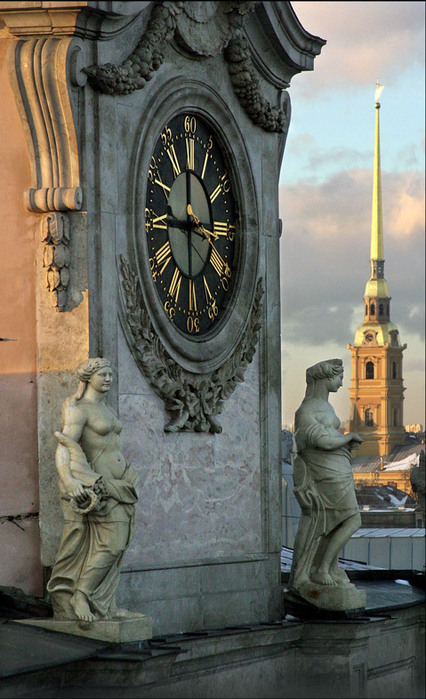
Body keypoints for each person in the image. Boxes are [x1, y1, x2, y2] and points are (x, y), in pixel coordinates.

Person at [47, 358, 139, 623]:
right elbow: (64, 445)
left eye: (111, 373)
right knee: (113, 543)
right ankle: (81, 595)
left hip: (122, 485)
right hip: (100, 486)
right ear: (88, 378)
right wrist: (69, 480)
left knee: (119, 545)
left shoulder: (105, 408)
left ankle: (104, 604)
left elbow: (114, 446)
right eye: (103, 374)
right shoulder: (78, 409)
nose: (109, 378)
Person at [288, 358, 363, 593]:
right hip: (326, 475)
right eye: (338, 377)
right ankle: (320, 569)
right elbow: (317, 440)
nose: (341, 383)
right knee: (352, 520)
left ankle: (328, 567)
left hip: (337, 471)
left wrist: (344, 443)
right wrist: (347, 438)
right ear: (325, 378)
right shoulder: (307, 410)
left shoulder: (326, 407)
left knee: (336, 522)